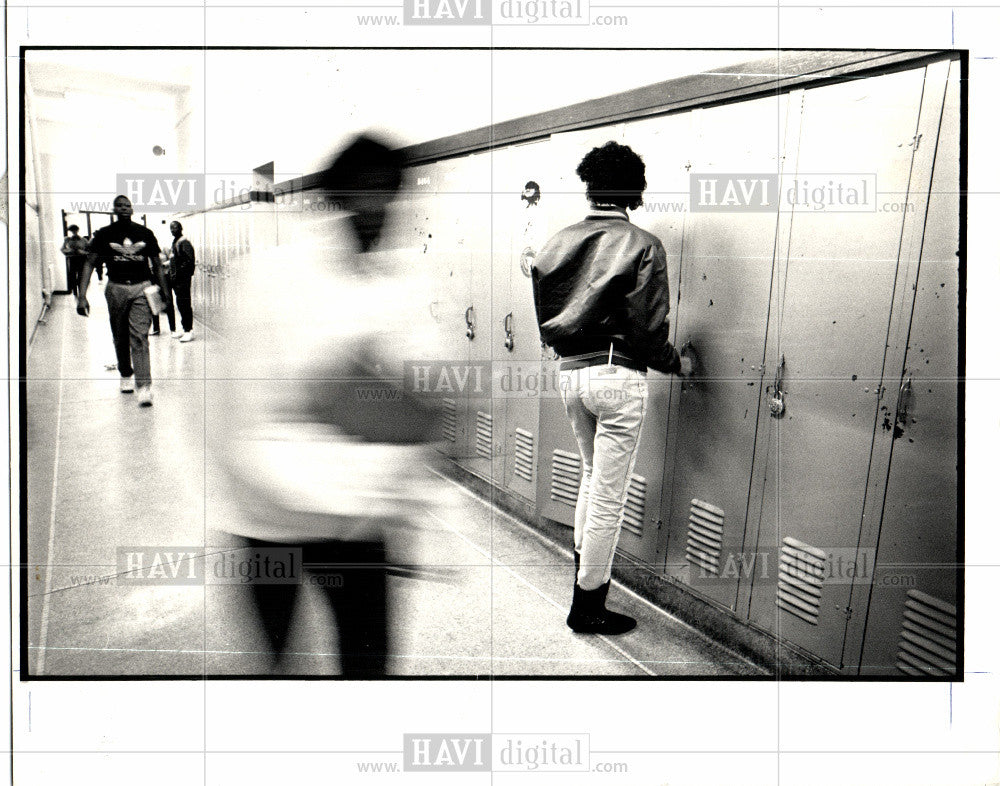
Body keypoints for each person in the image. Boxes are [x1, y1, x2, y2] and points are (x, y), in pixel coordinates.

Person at [212, 135, 441, 676]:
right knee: (277, 662)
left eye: (389, 195)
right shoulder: (266, 277)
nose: (377, 210)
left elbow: (420, 402)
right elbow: (238, 416)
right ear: (333, 196)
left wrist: (394, 491)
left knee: (367, 664)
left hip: (355, 527)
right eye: (363, 193)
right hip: (268, 521)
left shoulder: (400, 281)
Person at [531, 141, 692, 635]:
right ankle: (588, 605)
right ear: (635, 192)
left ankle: (585, 576)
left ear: (591, 186)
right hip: (617, 375)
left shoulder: (556, 241)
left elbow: (548, 318)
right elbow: (647, 332)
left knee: (590, 476)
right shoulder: (642, 245)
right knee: (608, 494)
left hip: (570, 374)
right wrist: (675, 363)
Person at [76, 195, 169, 407]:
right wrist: (82, 296)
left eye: (127, 205)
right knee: (120, 335)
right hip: (116, 287)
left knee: (139, 337)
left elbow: (156, 263)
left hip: (141, 287)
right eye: (120, 206)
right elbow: (90, 263)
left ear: (132, 209)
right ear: (114, 210)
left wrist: (165, 294)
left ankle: (144, 387)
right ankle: (125, 372)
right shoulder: (104, 234)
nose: (124, 208)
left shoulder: (144, 233)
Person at [167, 221, 196, 342]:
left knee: (184, 304)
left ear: (180, 228)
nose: (173, 230)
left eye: (175, 228)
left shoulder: (184, 242)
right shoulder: (176, 241)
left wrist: (179, 273)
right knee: (180, 304)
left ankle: (189, 330)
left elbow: (189, 261)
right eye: (171, 228)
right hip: (178, 279)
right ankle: (185, 328)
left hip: (183, 279)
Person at [149, 249, 176, 337]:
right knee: (154, 302)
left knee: (168, 301)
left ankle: (173, 329)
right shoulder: (150, 252)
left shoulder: (165, 249)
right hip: (153, 278)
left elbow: (172, 259)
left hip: (165, 277)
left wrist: (164, 264)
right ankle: (156, 328)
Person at [60, 225, 89, 297]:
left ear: (77, 230)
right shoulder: (67, 240)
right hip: (72, 259)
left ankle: (81, 292)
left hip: (81, 259)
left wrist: (82, 252)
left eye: (75, 230)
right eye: (72, 231)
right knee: (72, 276)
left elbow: (89, 250)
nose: (74, 232)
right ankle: (74, 291)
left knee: (81, 276)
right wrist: (69, 251)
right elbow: (62, 249)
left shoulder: (83, 240)